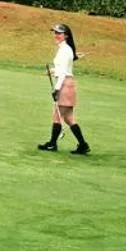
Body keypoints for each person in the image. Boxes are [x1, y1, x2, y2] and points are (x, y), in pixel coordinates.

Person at [38, 22, 89, 154]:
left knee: (57, 115)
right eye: (55, 33)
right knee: (69, 118)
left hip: (64, 85)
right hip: (67, 83)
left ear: (66, 35)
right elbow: (62, 69)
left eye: (59, 33)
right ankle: (83, 145)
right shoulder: (64, 49)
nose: (56, 35)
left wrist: (56, 89)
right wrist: (52, 71)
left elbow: (62, 73)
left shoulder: (65, 50)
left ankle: (52, 144)